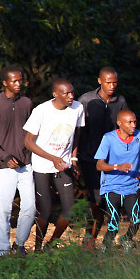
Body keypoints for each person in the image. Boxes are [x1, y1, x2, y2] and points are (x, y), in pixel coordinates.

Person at [24, 78, 85, 252]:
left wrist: (73, 160)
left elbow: (76, 136)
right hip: (43, 165)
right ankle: (37, 250)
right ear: (55, 94)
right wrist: (52, 158)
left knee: (69, 210)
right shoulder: (41, 111)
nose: (71, 96)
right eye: (66, 93)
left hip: (63, 164)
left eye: (72, 92)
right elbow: (28, 141)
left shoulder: (78, 108)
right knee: (46, 210)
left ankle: (51, 244)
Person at [0, 65, 36, 257]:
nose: (18, 83)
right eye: (14, 80)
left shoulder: (27, 103)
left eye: (20, 80)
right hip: (1, 166)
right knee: (2, 210)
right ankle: (2, 252)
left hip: (25, 164)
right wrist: (4, 157)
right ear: (5, 83)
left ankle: (19, 244)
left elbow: (33, 132)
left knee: (30, 206)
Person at [78, 67, 129, 245]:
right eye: (108, 82)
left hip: (112, 159)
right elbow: (77, 130)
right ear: (99, 81)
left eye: (115, 82)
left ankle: (106, 238)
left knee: (112, 198)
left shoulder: (120, 101)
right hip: (89, 157)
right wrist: (75, 156)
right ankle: (89, 237)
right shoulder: (86, 100)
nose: (112, 86)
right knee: (96, 199)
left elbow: (125, 128)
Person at [95, 110, 140, 252]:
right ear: (119, 123)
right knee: (114, 223)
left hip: (131, 186)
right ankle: (105, 248)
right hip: (111, 186)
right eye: (129, 122)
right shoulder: (109, 138)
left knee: (136, 220)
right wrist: (117, 167)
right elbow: (99, 165)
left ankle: (126, 239)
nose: (133, 125)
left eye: (135, 122)